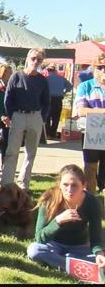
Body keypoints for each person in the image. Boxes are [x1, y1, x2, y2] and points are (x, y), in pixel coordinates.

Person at [27, 164, 105, 276]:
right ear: (59, 185)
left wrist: (99, 253)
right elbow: (39, 237)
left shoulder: (92, 202)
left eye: (74, 185)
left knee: (100, 258)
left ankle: (67, 262)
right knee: (34, 250)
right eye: (65, 185)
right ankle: (74, 266)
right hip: (53, 245)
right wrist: (57, 221)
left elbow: (96, 237)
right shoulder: (49, 200)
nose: (69, 190)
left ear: (84, 185)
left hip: (80, 247)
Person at [2, 48, 50, 191]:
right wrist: (11, 116)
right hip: (18, 116)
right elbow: (8, 99)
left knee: (31, 153)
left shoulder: (42, 80)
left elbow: (46, 101)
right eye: (34, 58)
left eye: (39, 60)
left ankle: (23, 184)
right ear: (27, 59)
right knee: (12, 151)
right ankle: (6, 184)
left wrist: (42, 118)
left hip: (35, 116)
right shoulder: (16, 76)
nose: (36, 62)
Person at [73, 52, 105, 193]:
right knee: (90, 167)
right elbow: (81, 111)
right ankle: (90, 201)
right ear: (93, 68)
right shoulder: (85, 86)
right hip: (92, 132)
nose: (103, 70)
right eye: (100, 67)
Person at [45, 64, 72, 140]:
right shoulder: (61, 78)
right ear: (55, 71)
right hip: (58, 99)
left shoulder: (46, 78)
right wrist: (64, 92)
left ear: (48, 71)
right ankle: (53, 134)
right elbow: (69, 86)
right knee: (56, 117)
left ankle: (47, 134)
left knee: (47, 117)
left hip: (49, 99)